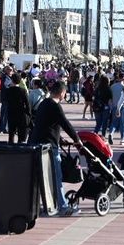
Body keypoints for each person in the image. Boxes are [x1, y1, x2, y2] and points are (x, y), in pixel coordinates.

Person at [28, 80, 83, 217]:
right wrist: (77, 140)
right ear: (62, 93)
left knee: (40, 178)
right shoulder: (55, 105)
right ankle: (63, 207)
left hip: (37, 144)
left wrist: (60, 139)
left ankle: (40, 206)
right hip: (49, 147)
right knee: (55, 177)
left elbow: (46, 125)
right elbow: (65, 123)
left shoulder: (44, 104)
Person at [2, 73, 32, 144]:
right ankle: (20, 149)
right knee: (21, 134)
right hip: (21, 114)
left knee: (11, 133)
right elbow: (27, 104)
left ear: (12, 80)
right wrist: (29, 113)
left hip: (11, 113)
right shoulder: (23, 91)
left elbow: (5, 100)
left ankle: (11, 147)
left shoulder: (8, 91)